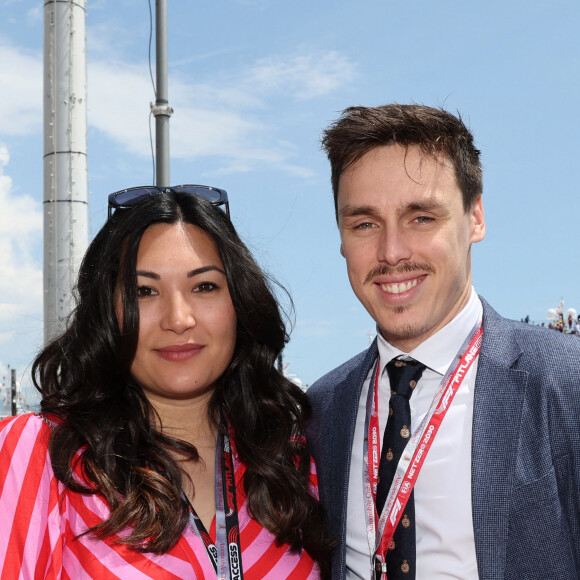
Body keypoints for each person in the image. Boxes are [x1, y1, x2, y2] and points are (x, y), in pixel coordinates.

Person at [0, 186, 332, 579]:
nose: (178, 318)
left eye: (204, 286)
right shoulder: (39, 456)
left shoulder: (292, 463)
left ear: (240, 304)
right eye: (144, 291)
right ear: (109, 313)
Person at [307, 104, 580, 580]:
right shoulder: (321, 410)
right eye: (365, 224)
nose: (392, 252)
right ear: (341, 236)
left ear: (475, 217)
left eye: (421, 217)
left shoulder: (565, 381)